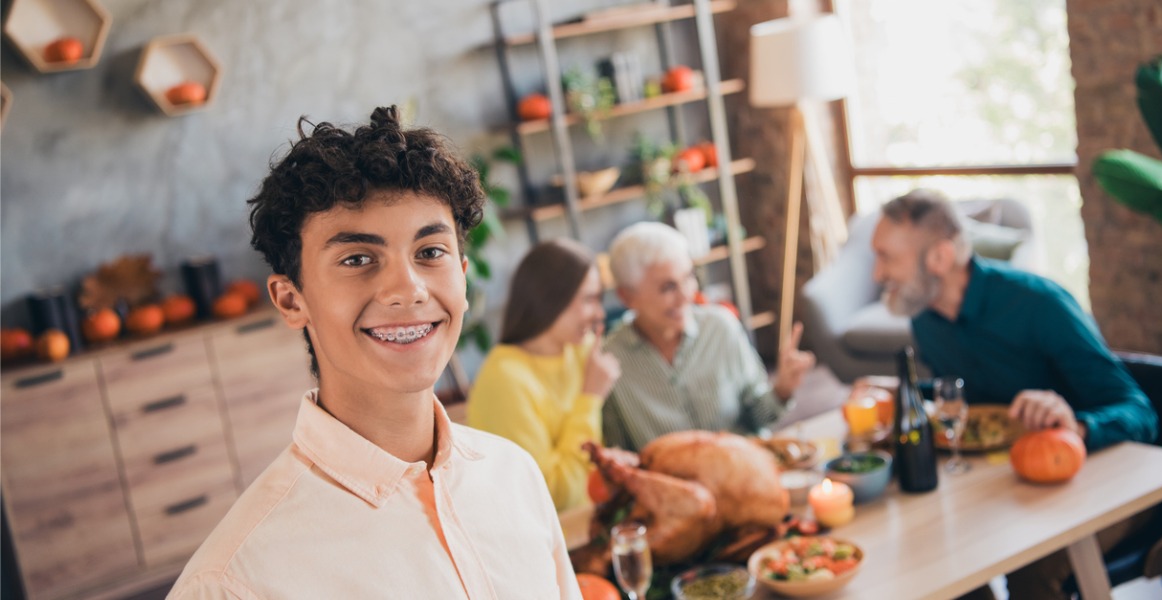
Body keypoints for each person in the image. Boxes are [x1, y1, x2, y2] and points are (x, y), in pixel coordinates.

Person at [168, 107, 581, 599]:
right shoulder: (234, 581)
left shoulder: (514, 475)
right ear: (291, 300)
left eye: (430, 252)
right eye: (358, 259)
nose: (407, 290)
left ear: (464, 277)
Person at [870, 188, 1157, 600]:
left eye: (886, 258)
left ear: (939, 257)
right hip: (1013, 485)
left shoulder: (1038, 304)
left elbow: (1140, 411)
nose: (876, 275)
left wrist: (1075, 425)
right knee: (933, 554)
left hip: (1101, 487)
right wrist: (906, 392)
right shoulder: (926, 321)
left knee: (1030, 570)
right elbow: (970, 396)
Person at [601, 221, 816, 451]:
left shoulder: (720, 327)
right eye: (667, 287)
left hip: (745, 469)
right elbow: (619, 457)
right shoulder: (609, 362)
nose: (686, 295)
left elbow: (757, 420)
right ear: (626, 296)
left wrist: (782, 389)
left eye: (688, 277)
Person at [467, 238, 620, 512]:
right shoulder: (505, 379)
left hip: (597, 517)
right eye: (589, 299)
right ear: (550, 299)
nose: (599, 314)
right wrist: (590, 398)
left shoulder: (581, 351)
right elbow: (555, 497)